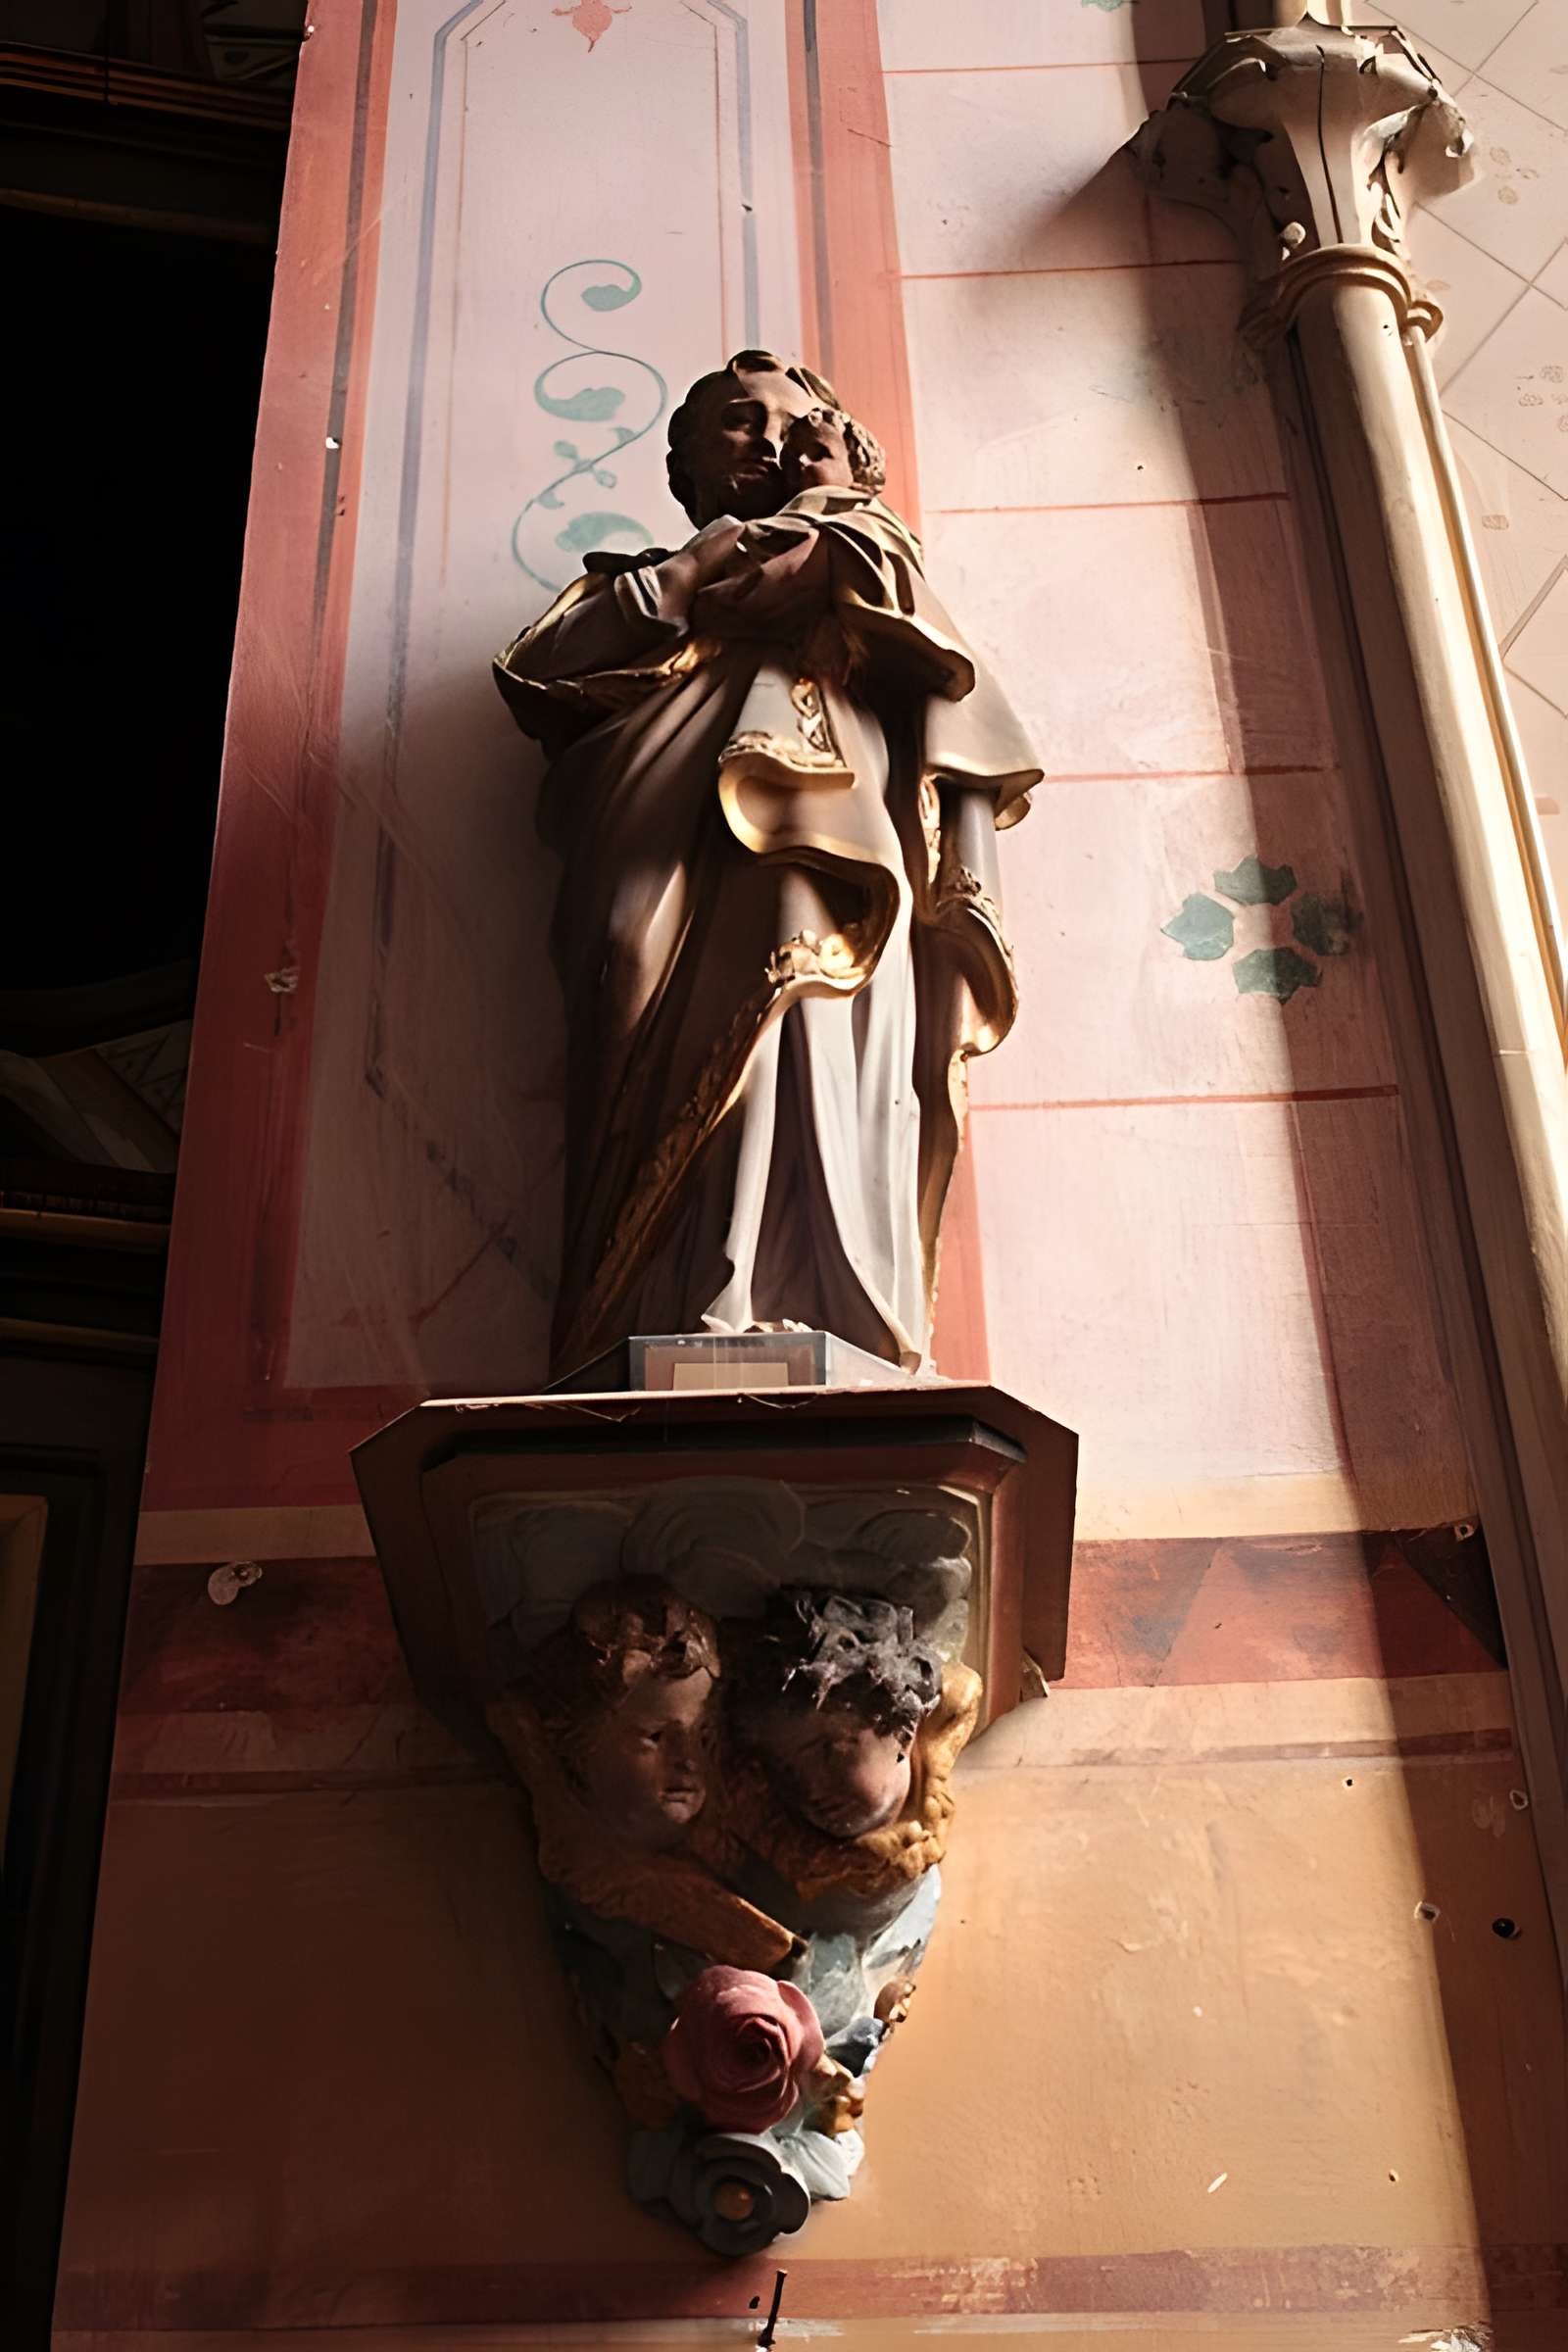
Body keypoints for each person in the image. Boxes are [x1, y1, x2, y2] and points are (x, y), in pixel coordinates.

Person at [495, 352, 1041, 1378]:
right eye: (735, 423)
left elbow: (915, 633)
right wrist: (695, 568)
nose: (765, 441)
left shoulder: (846, 550)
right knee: (627, 969)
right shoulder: (633, 587)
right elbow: (541, 676)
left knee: (803, 1005)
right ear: (684, 463)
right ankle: (639, 1298)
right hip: (658, 821)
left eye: (786, 425)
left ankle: (771, 1294)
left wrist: (834, 500)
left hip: (823, 814)